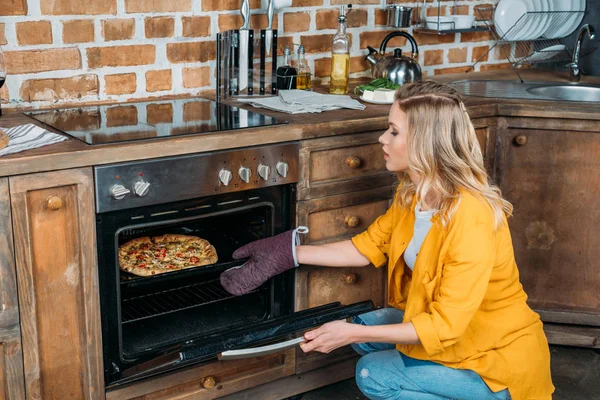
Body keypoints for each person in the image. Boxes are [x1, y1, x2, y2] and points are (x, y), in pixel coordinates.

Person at [220, 81, 554, 400]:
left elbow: (446, 325)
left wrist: (350, 333)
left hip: (496, 357)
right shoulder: (413, 196)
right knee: (365, 329)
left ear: (425, 142)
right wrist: (287, 253)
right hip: (457, 332)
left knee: (372, 373)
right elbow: (365, 247)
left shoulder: (471, 215)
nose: (382, 138)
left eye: (394, 131)